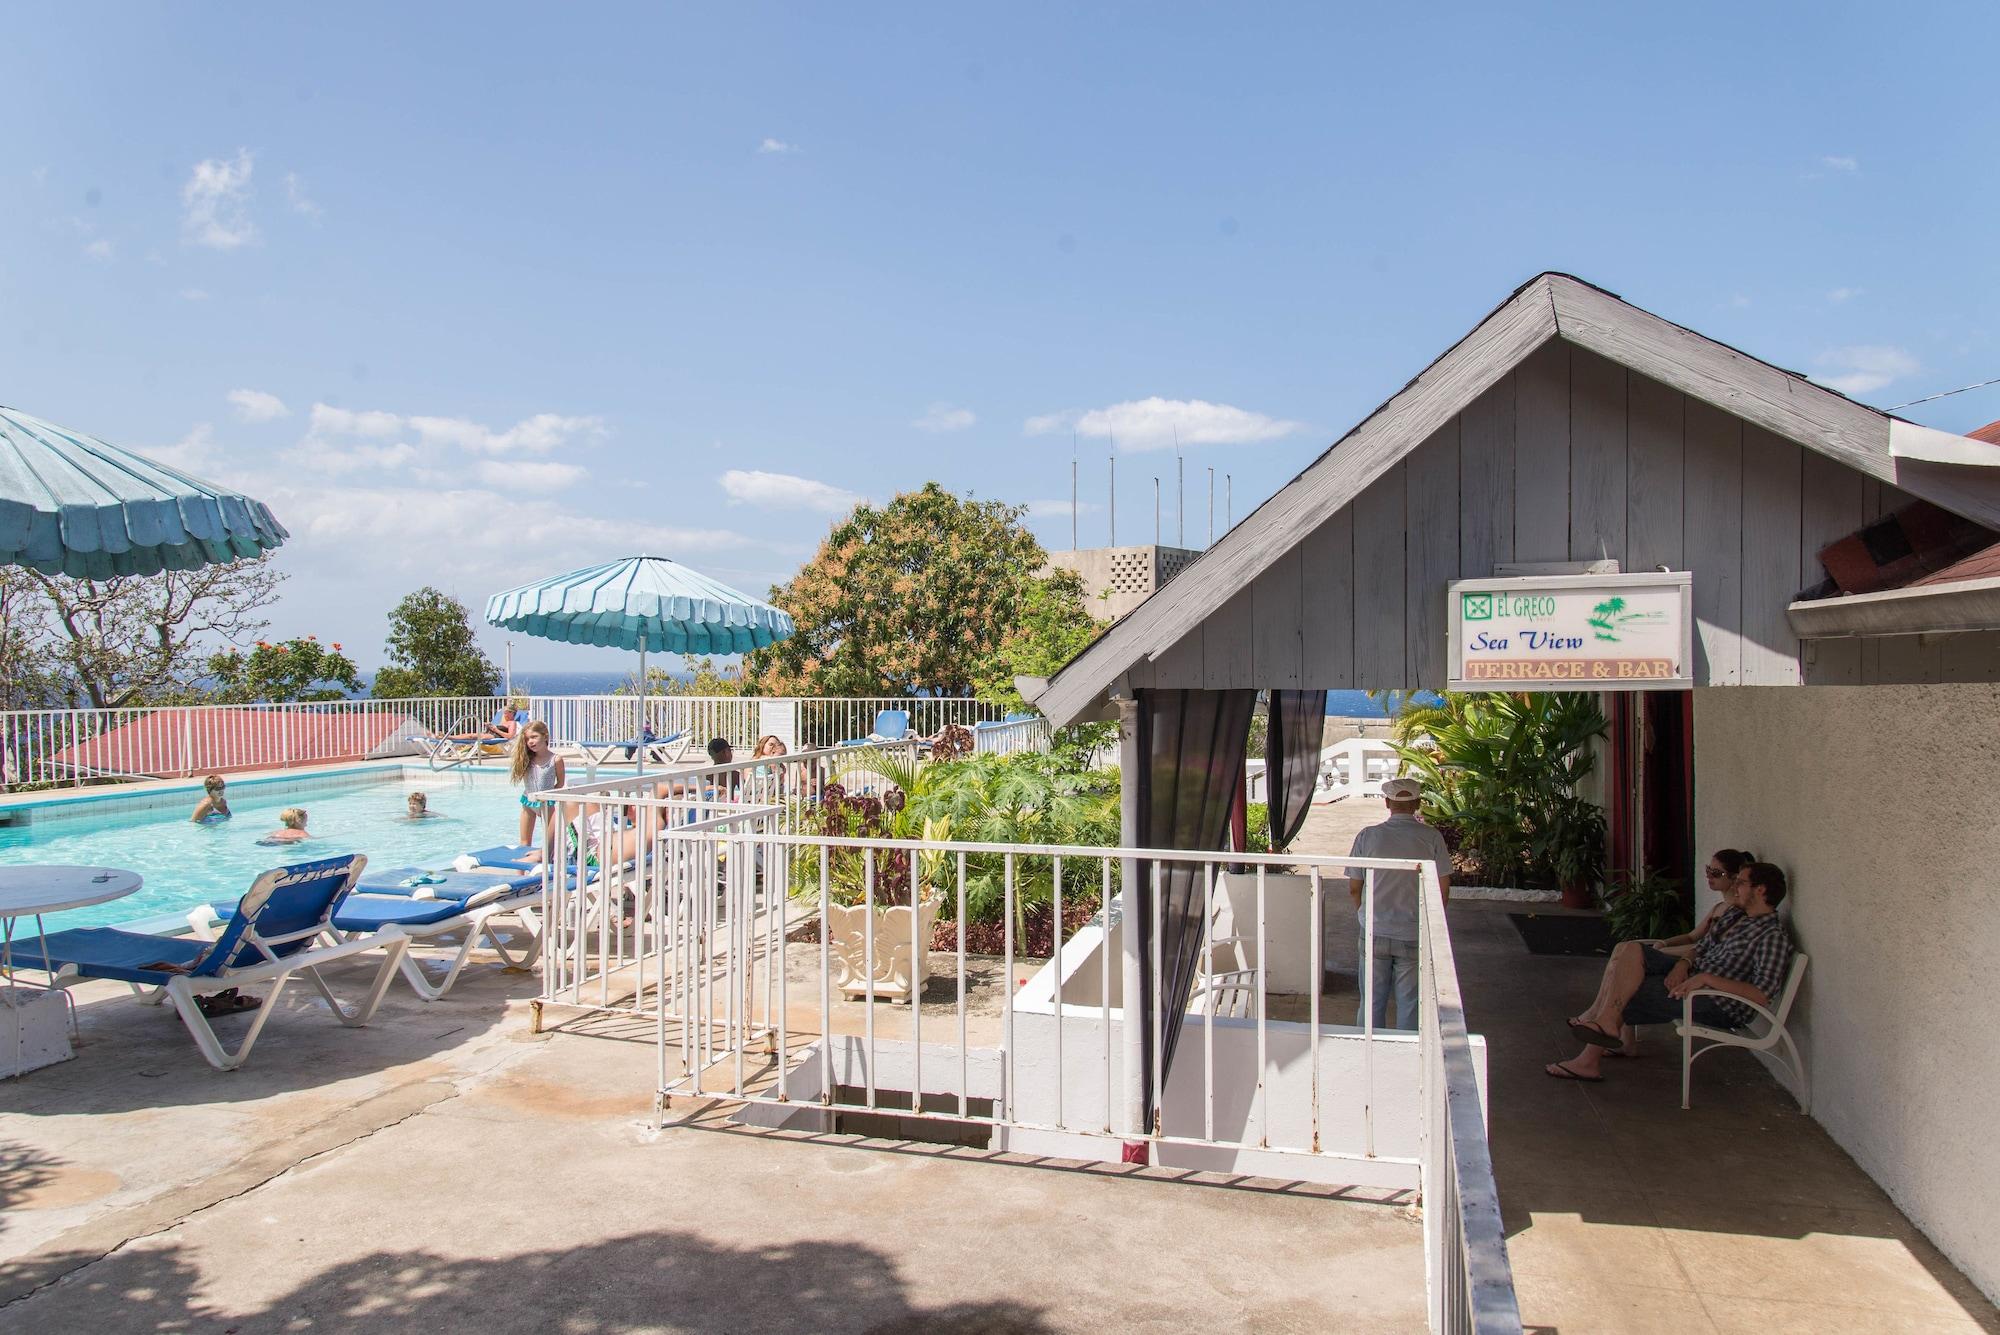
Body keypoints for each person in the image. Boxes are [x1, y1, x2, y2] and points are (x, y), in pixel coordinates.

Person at [1548, 861, 1795, 1082]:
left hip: (1719, 1003)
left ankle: (1589, 1059)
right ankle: (1607, 1025)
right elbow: (1700, 947)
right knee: (1632, 951)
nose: (1735, 887)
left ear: (1760, 890)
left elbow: (1761, 995)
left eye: (1741, 882)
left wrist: (1706, 978)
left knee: (1630, 989)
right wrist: (1683, 964)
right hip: (1694, 976)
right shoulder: (1736, 917)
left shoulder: (1771, 937)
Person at [1345, 776, 1452, 1030]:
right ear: (1417, 803)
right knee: (1410, 1003)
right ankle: (1407, 1057)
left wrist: (1365, 914)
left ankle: (1368, 1053)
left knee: (1370, 1002)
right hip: (1412, 930)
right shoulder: (1432, 837)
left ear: (1387, 803)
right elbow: (1443, 889)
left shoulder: (1367, 836)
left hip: (1374, 929)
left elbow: (1353, 888)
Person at [512, 719, 566, 846]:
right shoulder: (526, 758)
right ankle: (524, 864)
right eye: (527, 739)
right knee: (524, 841)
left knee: (551, 841)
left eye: (534, 737)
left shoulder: (555, 760)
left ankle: (550, 862)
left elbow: (560, 783)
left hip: (546, 803)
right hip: (528, 802)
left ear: (545, 736)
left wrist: (549, 797)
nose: (530, 741)